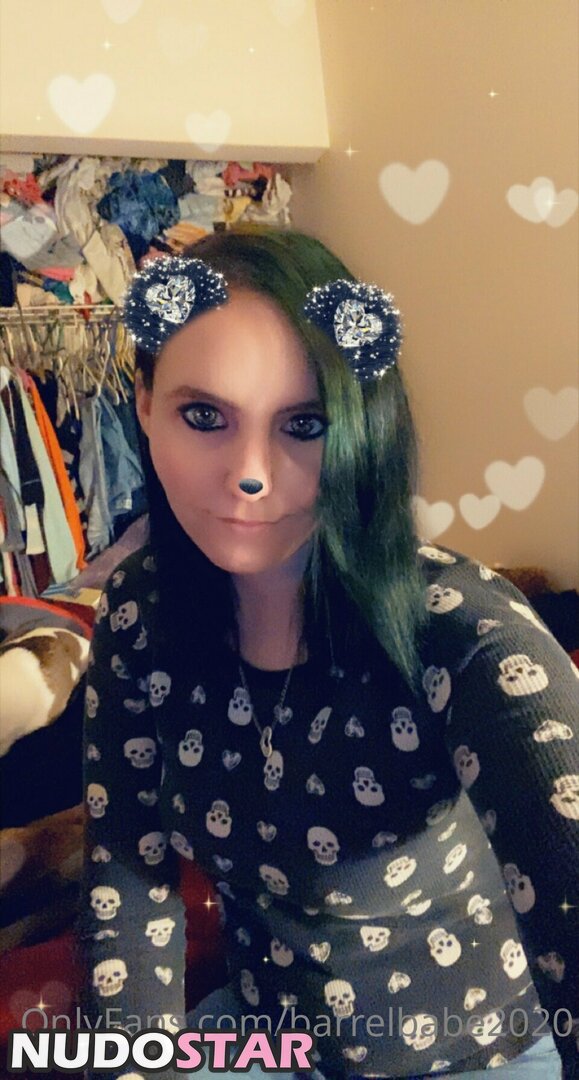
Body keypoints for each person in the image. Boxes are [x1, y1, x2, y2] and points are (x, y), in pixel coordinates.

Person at [79, 227, 578, 1080]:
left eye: (304, 424)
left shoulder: (460, 630)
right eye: (204, 416)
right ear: (146, 407)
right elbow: (125, 879)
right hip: (261, 1038)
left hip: (479, 1054)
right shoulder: (139, 613)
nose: (250, 474)